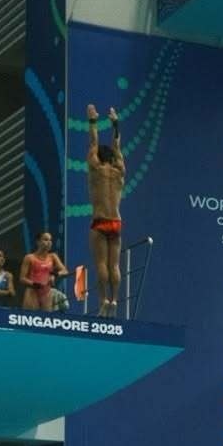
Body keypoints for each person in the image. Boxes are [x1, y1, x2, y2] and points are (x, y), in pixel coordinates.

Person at [87, 103, 125, 316]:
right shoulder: (119, 170)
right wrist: (115, 124)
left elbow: (93, 143)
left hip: (100, 221)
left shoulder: (96, 168)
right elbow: (117, 146)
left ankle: (103, 300)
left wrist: (93, 120)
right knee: (115, 265)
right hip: (116, 222)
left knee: (101, 263)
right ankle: (116, 300)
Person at [19, 231, 68, 311]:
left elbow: (65, 271)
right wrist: (35, 284)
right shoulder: (29, 258)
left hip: (46, 293)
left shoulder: (53, 257)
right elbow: (22, 279)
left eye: (50, 240)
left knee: (46, 317)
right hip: (32, 292)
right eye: (46, 240)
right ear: (38, 242)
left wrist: (54, 275)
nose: (49, 242)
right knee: (31, 316)